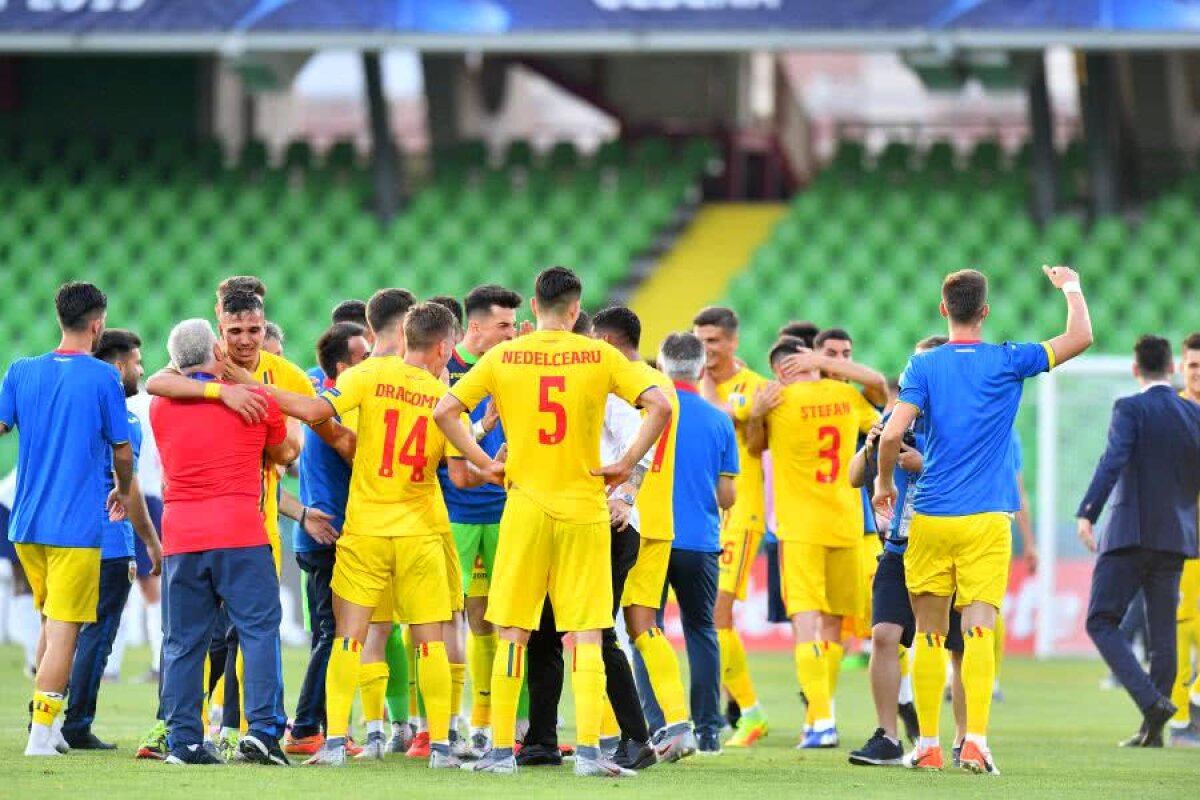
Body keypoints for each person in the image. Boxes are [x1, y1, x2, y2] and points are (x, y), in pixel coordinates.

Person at [434, 266, 671, 778]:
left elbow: (445, 412)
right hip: (585, 507)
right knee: (587, 632)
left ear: (534, 309)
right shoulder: (601, 355)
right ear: (574, 307)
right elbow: (660, 403)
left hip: (524, 507)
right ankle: (588, 753)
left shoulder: (503, 355)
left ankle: (500, 752)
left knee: (514, 631)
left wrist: (484, 461)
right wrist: (627, 463)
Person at [874, 265, 1093, 774]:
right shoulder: (1008, 360)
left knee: (928, 634)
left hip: (930, 515)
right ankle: (974, 741)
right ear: (985, 312)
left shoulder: (922, 367)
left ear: (943, 309)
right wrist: (1071, 287)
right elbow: (1081, 336)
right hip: (988, 518)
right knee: (976, 630)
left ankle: (926, 744)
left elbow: (890, 437)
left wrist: (884, 484)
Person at [265, 302, 469, 770]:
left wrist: (255, 387)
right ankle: (439, 745)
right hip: (420, 531)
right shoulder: (445, 395)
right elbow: (458, 468)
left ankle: (335, 742)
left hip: (366, 529)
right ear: (443, 346)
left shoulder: (369, 376)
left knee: (348, 639)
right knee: (431, 641)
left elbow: (317, 411)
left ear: (402, 337)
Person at [0, 282, 141, 757]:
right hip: (75, 529)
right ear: (98, 324)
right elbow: (122, 452)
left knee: (48, 625)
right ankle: (40, 735)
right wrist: (123, 490)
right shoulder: (104, 379)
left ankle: (51, 726)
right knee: (65, 633)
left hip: (24, 525)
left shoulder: (20, 371)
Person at [152, 318, 298, 766]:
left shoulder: (161, 405)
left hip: (181, 535)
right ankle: (263, 734)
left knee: (183, 642)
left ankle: (184, 742)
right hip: (240, 532)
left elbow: (166, 378)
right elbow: (285, 454)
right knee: (258, 633)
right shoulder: (254, 400)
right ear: (218, 348)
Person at [520, 307, 655, 770]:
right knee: (542, 632)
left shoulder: (602, 382)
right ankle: (540, 740)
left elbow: (643, 436)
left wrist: (628, 495)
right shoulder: (569, 381)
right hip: (559, 521)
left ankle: (638, 739)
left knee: (595, 631)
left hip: (606, 524)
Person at [746, 336, 880, 749]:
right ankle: (820, 714)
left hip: (798, 528)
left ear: (778, 370)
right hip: (845, 522)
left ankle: (820, 719)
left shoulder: (776, 402)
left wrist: (755, 416)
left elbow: (754, 448)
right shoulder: (844, 394)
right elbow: (879, 389)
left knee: (805, 621)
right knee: (836, 624)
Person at [848, 335, 966, 768]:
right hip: (899, 547)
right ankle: (888, 736)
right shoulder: (895, 418)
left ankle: (963, 737)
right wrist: (872, 444)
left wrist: (925, 465)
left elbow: (980, 476)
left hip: (949, 546)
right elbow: (854, 478)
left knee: (957, 646)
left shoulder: (964, 420)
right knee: (883, 635)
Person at [1077, 334, 1200, 748]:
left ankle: (1152, 703)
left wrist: (1087, 512)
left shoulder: (1129, 408)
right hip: (1176, 539)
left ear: (1136, 370)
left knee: (1101, 620)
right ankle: (1154, 732)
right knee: (1163, 633)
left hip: (1130, 534)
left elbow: (1112, 461)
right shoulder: (1192, 414)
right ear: (1173, 368)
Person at [631, 332, 737, 756]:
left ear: (660, 364)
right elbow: (727, 496)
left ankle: (660, 725)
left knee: (644, 629)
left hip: (650, 534)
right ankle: (709, 731)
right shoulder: (718, 419)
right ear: (700, 367)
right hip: (699, 540)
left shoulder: (644, 410)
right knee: (702, 631)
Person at [63, 330, 163, 750]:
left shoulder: (69, 411)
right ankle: (76, 725)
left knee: (61, 629)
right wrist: (153, 543)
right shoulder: (126, 420)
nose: (141, 370)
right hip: (110, 539)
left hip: (63, 534)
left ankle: (44, 717)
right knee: (98, 634)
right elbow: (128, 486)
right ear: (119, 366)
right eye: (137, 362)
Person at [437, 284, 523, 759]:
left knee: (493, 620)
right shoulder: (446, 371)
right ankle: (439, 725)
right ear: (476, 327)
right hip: (455, 513)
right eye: (504, 326)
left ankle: (486, 725)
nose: (511, 334)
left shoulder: (515, 366)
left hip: (505, 512)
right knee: (449, 618)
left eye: (514, 325)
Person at [284, 322, 370, 756]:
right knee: (332, 632)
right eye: (364, 357)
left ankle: (320, 724)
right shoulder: (336, 410)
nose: (371, 364)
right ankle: (305, 727)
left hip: (320, 530)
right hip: (330, 531)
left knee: (332, 630)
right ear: (343, 366)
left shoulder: (325, 398)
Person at [692, 306, 772, 747]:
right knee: (708, 615)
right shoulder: (698, 385)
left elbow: (759, 447)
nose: (706, 348)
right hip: (705, 513)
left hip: (741, 513)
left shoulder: (755, 386)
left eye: (714, 341)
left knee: (717, 615)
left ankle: (751, 711)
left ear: (733, 342)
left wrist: (753, 414)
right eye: (700, 340)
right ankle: (736, 709)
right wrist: (735, 409)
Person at [1169, 332, 1200, 743]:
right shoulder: (1170, 411)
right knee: (1178, 627)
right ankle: (1179, 719)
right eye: (1193, 365)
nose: (1198, 373)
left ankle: (1195, 699)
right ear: (1181, 365)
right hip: (1179, 537)